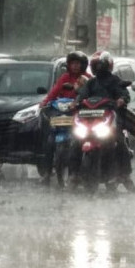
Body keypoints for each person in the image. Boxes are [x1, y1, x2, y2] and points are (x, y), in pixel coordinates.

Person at [76, 51, 135, 192]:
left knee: (120, 144)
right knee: (74, 143)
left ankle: (124, 175)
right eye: (97, 65)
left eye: (101, 65)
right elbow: (82, 95)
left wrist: (122, 99)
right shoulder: (91, 82)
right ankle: (73, 175)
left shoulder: (115, 80)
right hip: (89, 121)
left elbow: (123, 93)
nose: (99, 68)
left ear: (108, 65)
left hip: (110, 120)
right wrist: (76, 102)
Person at [39, 52, 90, 185]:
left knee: (81, 141)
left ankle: (77, 173)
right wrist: (45, 102)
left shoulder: (87, 79)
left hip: (80, 115)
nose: (75, 66)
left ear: (83, 65)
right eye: (72, 63)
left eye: (77, 64)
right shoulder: (64, 78)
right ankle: (47, 173)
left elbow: (92, 95)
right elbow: (54, 92)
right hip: (62, 114)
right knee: (49, 141)